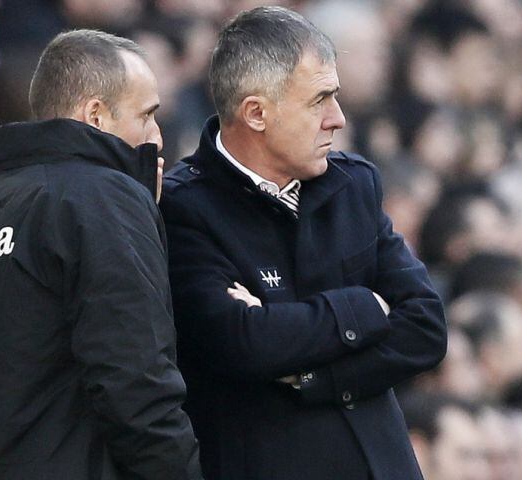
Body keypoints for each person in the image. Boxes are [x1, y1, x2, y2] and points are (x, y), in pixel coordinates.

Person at [160, 6, 446, 479]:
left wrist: (313, 377)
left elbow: (426, 328)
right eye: (319, 100)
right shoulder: (184, 207)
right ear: (255, 113)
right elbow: (240, 343)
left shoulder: (354, 184)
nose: (337, 118)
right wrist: (364, 308)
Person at [0, 29, 202, 479]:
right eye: (147, 115)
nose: (157, 138)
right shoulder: (103, 197)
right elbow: (138, 383)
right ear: (96, 116)